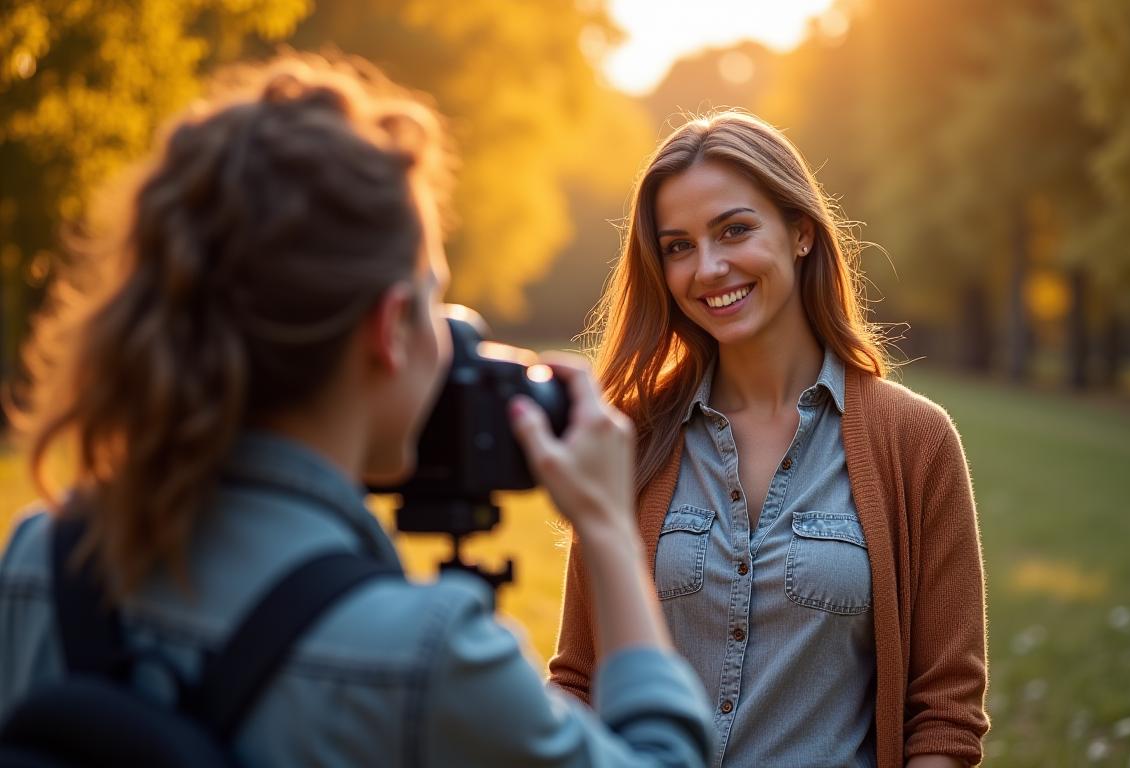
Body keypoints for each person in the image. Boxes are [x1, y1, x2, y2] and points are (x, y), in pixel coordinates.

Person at [0, 54, 713, 767]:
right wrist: (609, 528)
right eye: (435, 299)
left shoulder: (42, 560)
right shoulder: (429, 658)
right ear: (391, 327)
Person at [549, 112, 989, 768]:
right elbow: (580, 678)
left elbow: (945, 712)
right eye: (678, 246)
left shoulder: (915, 441)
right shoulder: (631, 438)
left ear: (801, 232)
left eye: (734, 230)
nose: (709, 268)